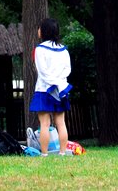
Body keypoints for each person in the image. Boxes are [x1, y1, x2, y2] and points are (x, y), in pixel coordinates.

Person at [29, 17, 72, 156]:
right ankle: (62, 152)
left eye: (40, 28)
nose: (38, 30)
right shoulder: (64, 50)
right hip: (61, 89)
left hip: (44, 90)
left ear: (44, 31)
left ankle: (44, 154)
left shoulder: (40, 50)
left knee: (44, 124)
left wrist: (51, 82)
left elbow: (42, 72)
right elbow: (67, 70)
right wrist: (59, 82)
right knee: (61, 123)